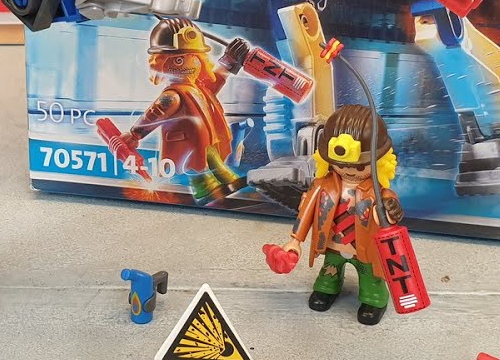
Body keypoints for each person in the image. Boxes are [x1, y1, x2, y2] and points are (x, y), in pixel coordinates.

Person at [265, 104, 406, 325]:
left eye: (359, 167)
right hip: (333, 245)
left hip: (365, 249)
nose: (349, 170)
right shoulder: (323, 187)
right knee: (328, 272)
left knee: (371, 278)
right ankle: (328, 288)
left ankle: (374, 299)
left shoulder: (378, 194)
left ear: (378, 161)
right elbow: (307, 212)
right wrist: (295, 240)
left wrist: (390, 211)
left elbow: (390, 219)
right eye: (341, 165)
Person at [118, 18, 251, 204]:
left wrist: (230, 61)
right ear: (163, 62)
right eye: (181, 59)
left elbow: (214, 82)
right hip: (187, 141)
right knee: (196, 166)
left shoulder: (197, 87)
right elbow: (154, 114)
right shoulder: (172, 95)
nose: (192, 64)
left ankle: (225, 177)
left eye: (194, 57)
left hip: (206, 139)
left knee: (212, 158)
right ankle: (204, 188)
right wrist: (136, 133)